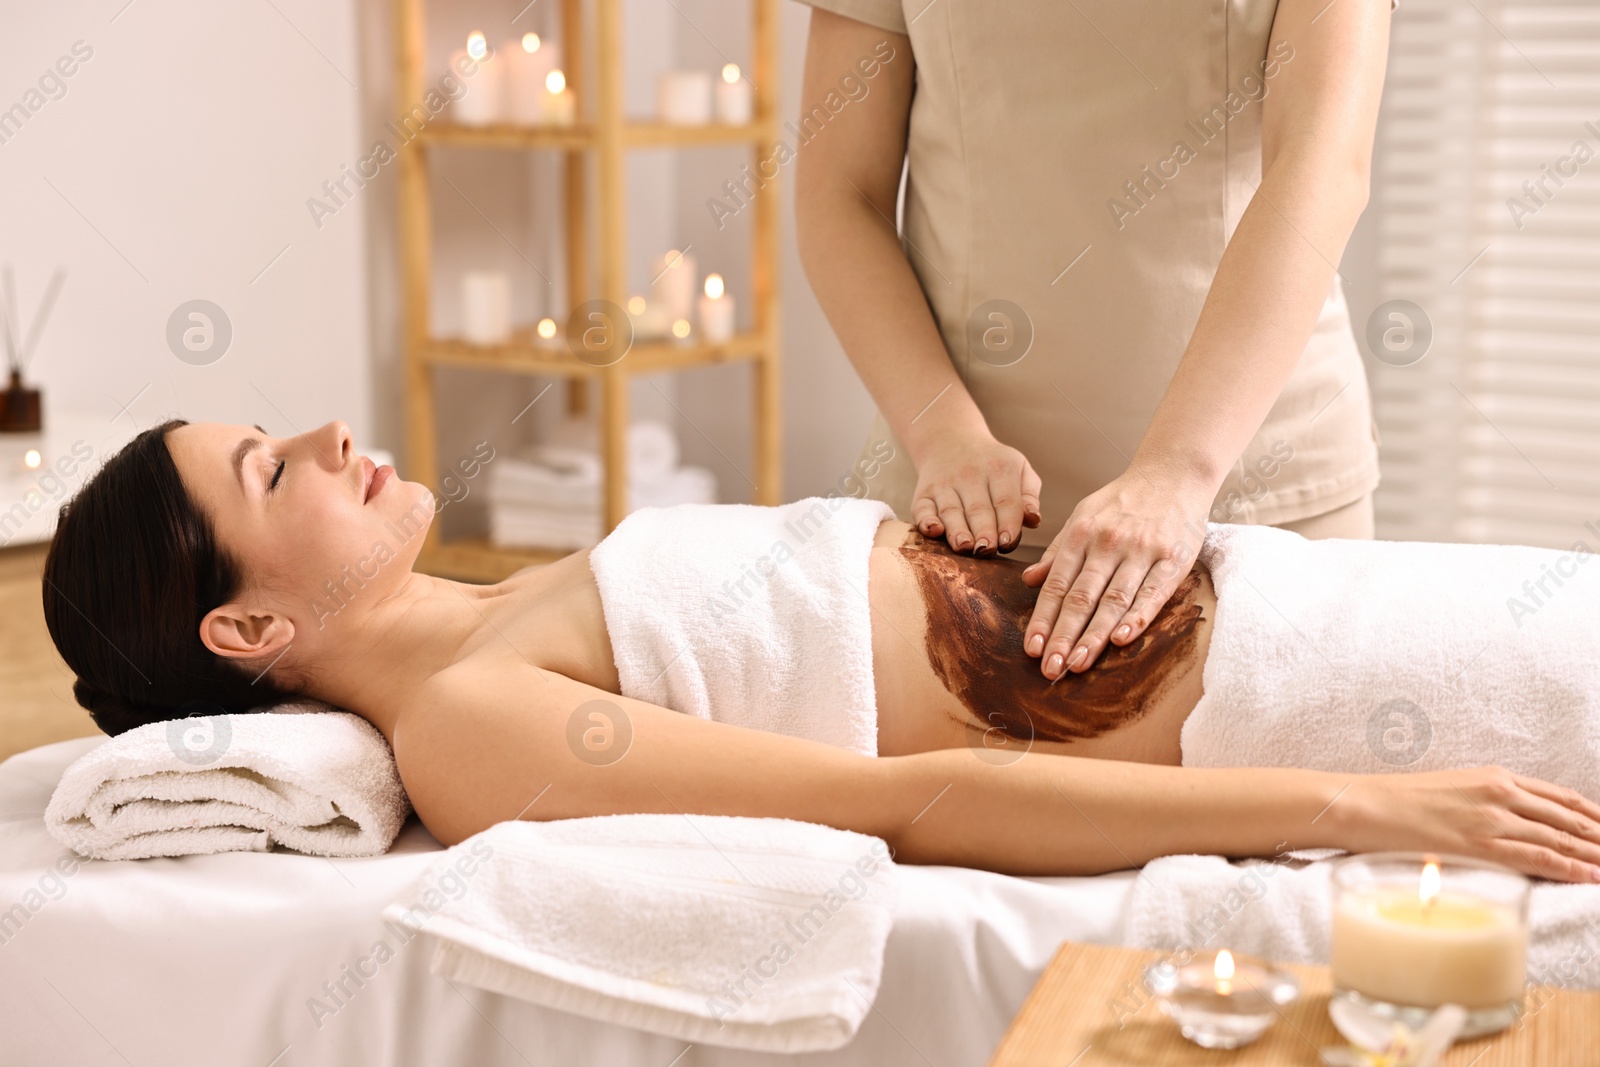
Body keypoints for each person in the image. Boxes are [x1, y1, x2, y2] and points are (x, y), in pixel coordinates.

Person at [41, 421, 1600, 883]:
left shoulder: (520, 595)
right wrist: (1361, 806)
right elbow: (911, 804)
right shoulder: (469, 723)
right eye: (270, 472)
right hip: (1298, 705)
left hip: (1289, 596)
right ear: (247, 630)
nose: (325, 432)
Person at [792, 0, 1391, 685]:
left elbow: (1323, 166)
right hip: (969, 508)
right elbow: (843, 192)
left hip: (1257, 489)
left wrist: (1178, 473)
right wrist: (944, 435)